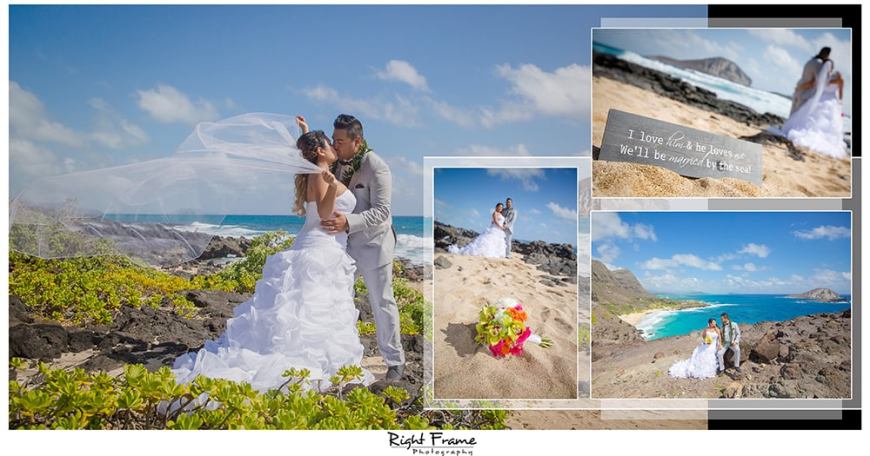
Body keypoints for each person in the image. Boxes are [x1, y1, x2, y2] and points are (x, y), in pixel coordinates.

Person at [170, 130, 373, 392]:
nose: (334, 146)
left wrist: (305, 131)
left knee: (309, 306)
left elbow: (312, 154)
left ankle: (316, 361)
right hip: (320, 249)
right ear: (320, 151)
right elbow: (324, 214)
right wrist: (333, 187)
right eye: (329, 144)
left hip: (323, 247)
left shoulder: (315, 169)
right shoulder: (320, 174)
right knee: (311, 308)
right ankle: (304, 363)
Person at [298, 114, 406, 381]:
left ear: (357, 141)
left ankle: (395, 361)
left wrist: (348, 221)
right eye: (333, 140)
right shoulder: (335, 160)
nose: (335, 145)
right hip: (340, 248)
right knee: (338, 300)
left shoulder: (377, 166)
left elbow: (382, 211)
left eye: (340, 141)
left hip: (373, 244)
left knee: (381, 301)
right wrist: (306, 133)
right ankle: (339, 356)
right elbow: (313, 159)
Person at [771, 47, 848, 158]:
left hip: (813, 97)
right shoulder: (829, 74)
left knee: (803, 116)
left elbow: (818, 84)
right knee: (824, 122)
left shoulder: (817, 68)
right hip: (820, 98)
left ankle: (791, 129)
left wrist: (799, 87)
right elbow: (817, 84)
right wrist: (839, 103)